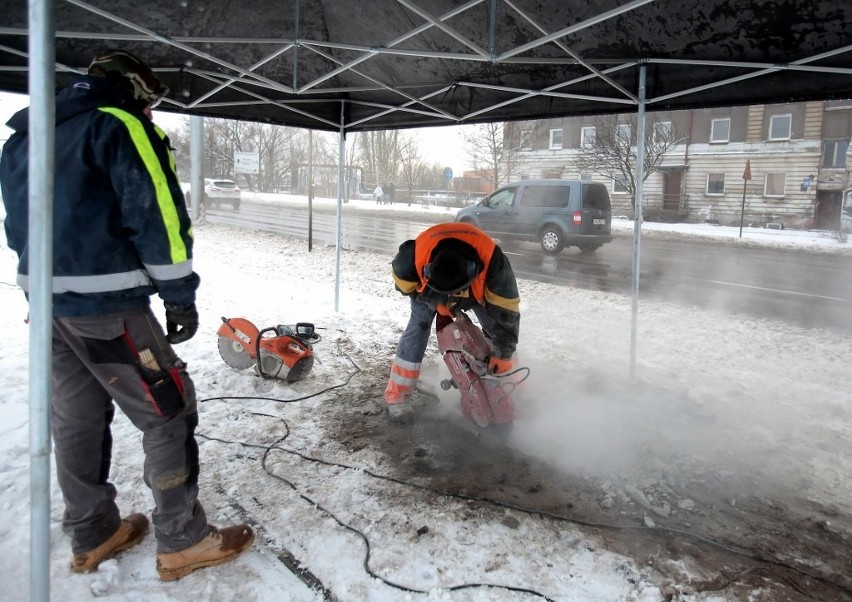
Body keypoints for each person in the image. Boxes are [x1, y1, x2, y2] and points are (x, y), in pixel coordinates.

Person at [0, 49, 254, 581]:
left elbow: (16, 224)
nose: (152, 112)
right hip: (108, 309)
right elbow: (156, 213)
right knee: (168, 411)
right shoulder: (117, 124)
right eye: (151, 101)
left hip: (49, 307)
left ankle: (93, 532)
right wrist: (178, 293)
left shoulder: (26, 136)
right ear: (135, 89)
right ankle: (183, 539)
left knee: (77, 416)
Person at [383, 222, 521, 421]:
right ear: (428, 270)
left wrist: (504, 354)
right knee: (418, 328)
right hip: (432, 292)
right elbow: (404, 286)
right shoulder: (410, 261)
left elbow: (507, 312)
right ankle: (397, 396)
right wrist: (434, 301)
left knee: (497, 329)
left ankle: (512, 384)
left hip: (475, 291)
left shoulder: (494, 262)